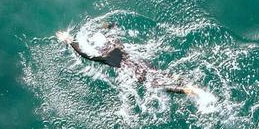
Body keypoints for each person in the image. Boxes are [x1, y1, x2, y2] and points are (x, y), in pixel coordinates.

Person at [62, 21, 199, 97]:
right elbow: (113, 26)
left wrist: (68, 40)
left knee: (153, 84)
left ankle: (185, 90)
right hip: (140, 61)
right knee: (157, 73)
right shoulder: (115, 42)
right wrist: (106, 25)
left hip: (133, 71)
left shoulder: (106, 57)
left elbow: (84, 54)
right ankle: (178, 79)